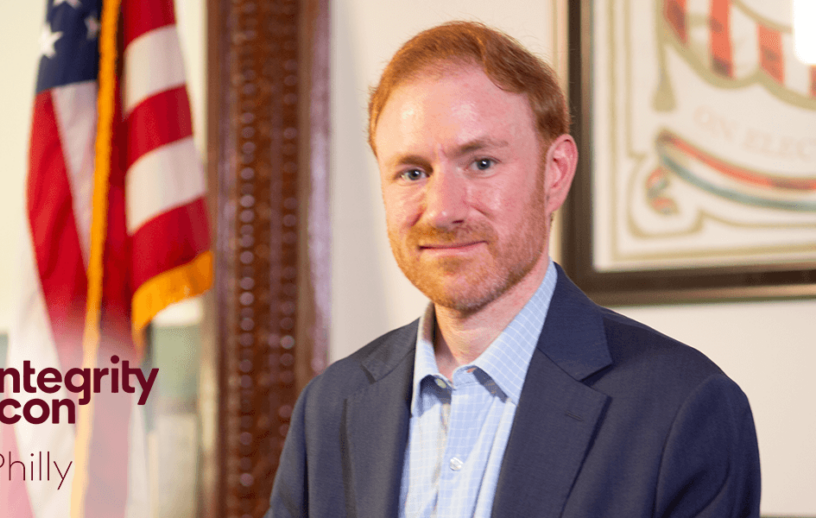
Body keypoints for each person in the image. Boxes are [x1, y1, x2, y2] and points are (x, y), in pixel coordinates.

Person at [265, 20, 760, 518]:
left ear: (555, 173)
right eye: (412, 172)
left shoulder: (684, 407)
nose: (442, 210)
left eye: (480, 163)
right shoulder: (329, 408)